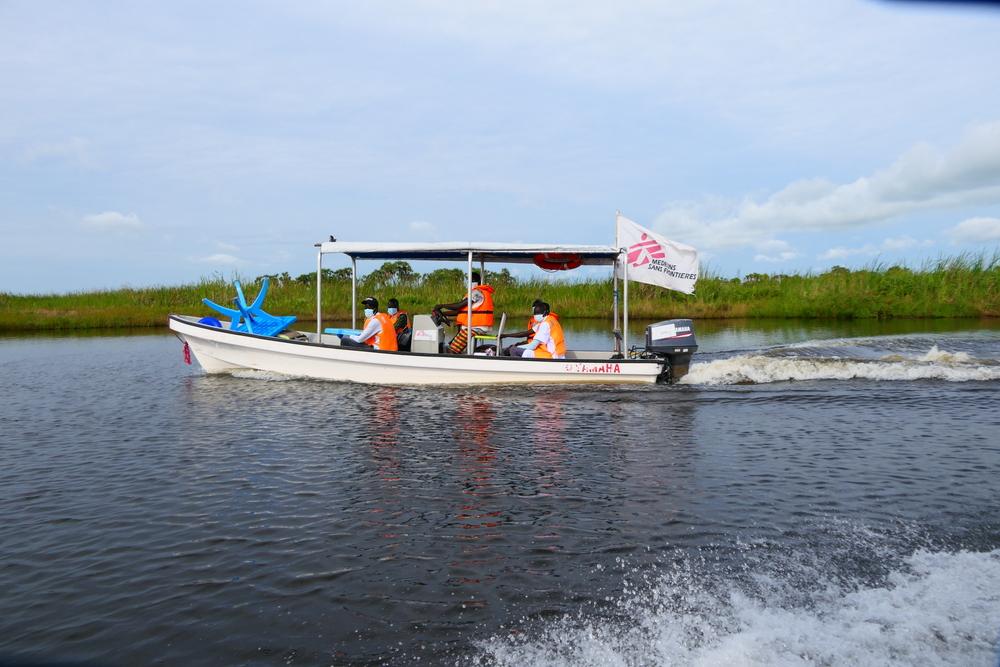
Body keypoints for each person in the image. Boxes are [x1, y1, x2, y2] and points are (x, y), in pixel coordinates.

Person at [433, 271, 495, 354]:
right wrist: (443, 313)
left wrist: (441, 305)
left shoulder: (477, 293)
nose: (471, 282)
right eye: (470, 280)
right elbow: (460, 311)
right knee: (451, 344)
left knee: (452, 350)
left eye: (473, 280)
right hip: (474, 326)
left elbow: (458, 306)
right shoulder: (476, 292)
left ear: (479, 282)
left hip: (476, 327)